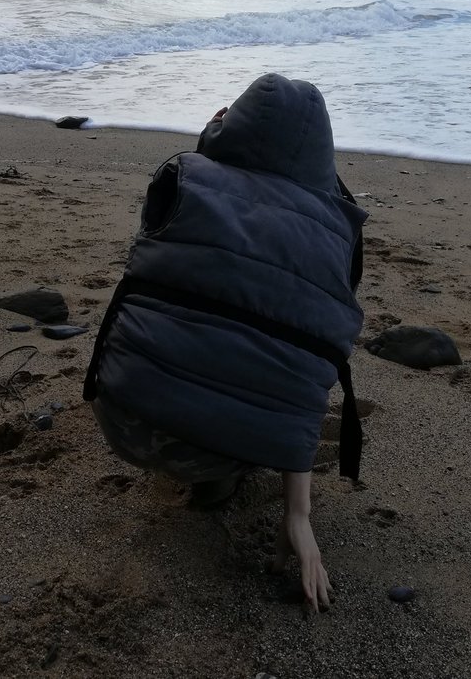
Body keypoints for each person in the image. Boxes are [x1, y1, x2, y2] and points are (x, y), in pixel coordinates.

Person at [83, 72, 367, 612]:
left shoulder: (181, 178)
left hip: (122, 419)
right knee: (281, 343)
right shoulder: (339, 234)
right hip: (229, 448)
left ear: (230, 123)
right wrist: (298, 516)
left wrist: (210, 142)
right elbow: (301, 367)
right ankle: (218, 474)